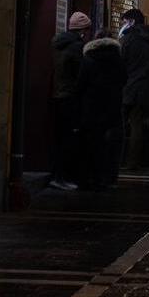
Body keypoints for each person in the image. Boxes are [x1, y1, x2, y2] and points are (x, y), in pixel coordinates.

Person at [77, 30, 127, 187]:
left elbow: (81, 84)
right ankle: (109, 178)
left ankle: (91, 177)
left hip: (92, 107)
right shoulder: (118, 59)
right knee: (111, 145)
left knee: (91, 143)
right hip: (112, 107)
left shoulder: (88, 58)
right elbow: (124, 80)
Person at [50, 11, 91, 190]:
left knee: (60, 137)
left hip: (58, 95)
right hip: (70, 97)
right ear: (82, 30)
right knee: (69, 138)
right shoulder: (76, 48)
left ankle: (58, 175)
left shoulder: (58, 44)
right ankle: (62, 176)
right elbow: (82, 74)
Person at [119, 9, 149, 170]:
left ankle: (120, 159)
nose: (123, 25)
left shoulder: (128, 40)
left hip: (128, 86)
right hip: (145, 87)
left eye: (124, 22)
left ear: (132, 22)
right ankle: (135, 160)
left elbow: (121, 63)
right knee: (138, 124)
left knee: (121, 124)